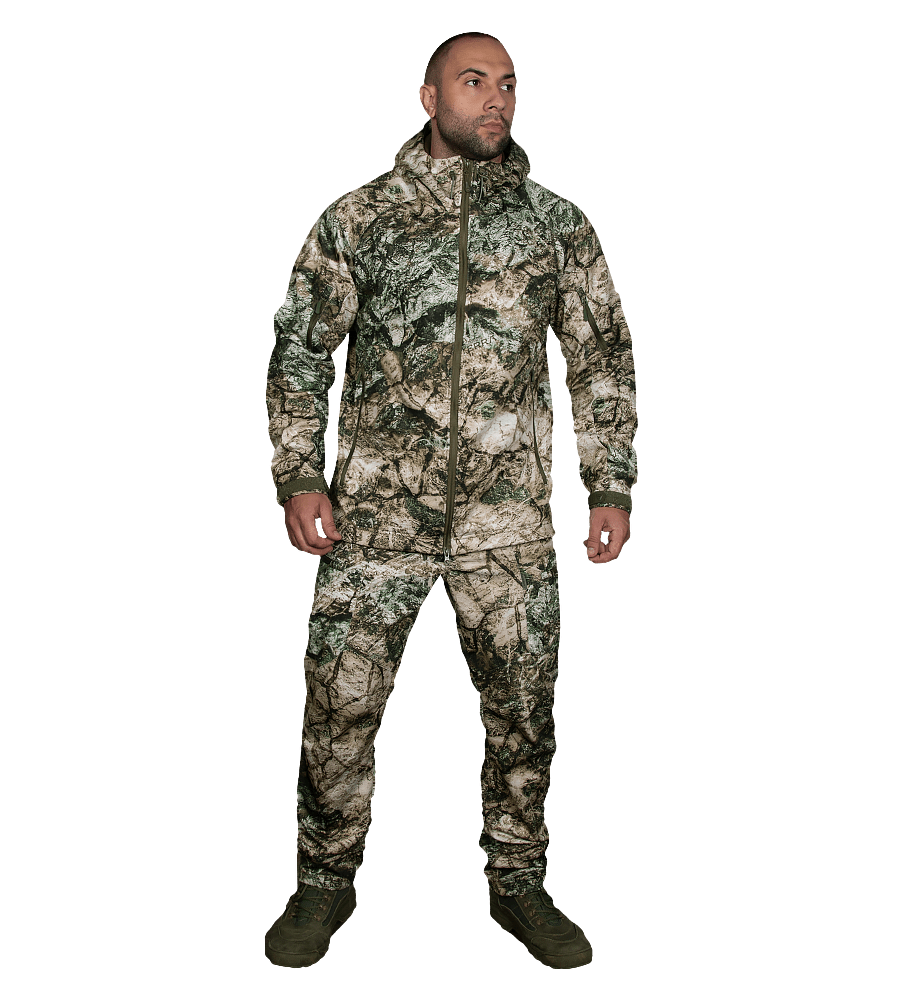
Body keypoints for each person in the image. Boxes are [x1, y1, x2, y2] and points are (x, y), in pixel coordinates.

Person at [263, 31, 637, 970]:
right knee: (339, 702)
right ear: (429, 97)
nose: (495, 98)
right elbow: (302, 350)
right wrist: (299, 473)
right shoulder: (361, 218)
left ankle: (518, 882)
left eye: (508, 84)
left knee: (524, 712)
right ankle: (324, 878)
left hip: (508, 521)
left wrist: (609, 482)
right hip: (375, 517)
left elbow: (601, 358)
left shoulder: (556, 224)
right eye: (473, 82)